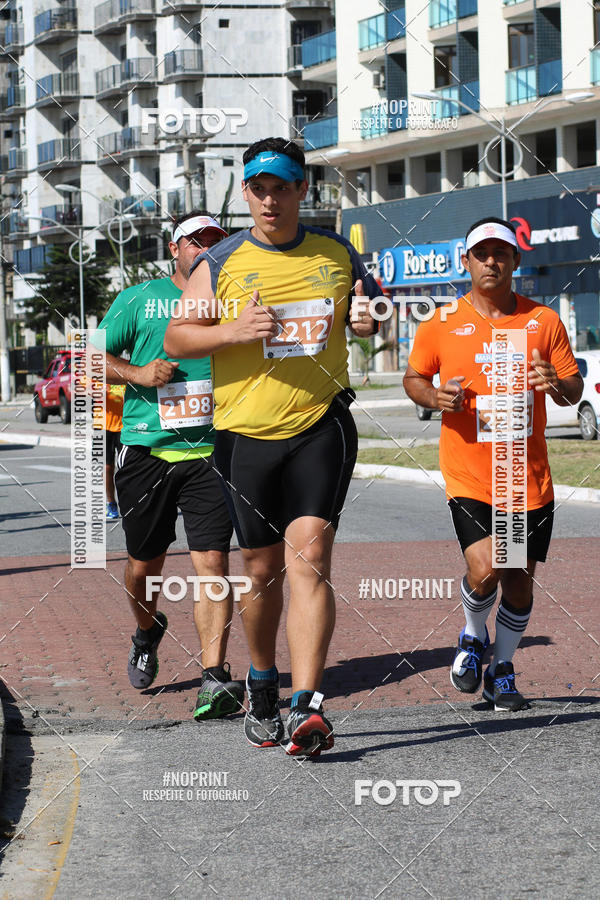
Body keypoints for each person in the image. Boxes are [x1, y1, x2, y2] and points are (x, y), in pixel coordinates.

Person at [164, 137, 379, 755]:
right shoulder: (223, 261)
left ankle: (308, 706)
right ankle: (262, 680)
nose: (269, 199)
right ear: (245, 194)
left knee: (309, 556)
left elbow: (366, 308)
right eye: (257, 189)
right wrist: (231, 330)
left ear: (302, 190)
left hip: (321, 423)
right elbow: (179, 337)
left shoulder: (335, 252)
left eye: (281, 187)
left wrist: (368, 320)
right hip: (243, 436)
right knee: (261, 571)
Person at [403, 217, 583, 711]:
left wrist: (557, 384)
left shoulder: (542, 321)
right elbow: (414, 378)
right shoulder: (440, 323)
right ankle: (470, 633)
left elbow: (573, 390)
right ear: (466, 261)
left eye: (500, 253)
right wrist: (436, 397)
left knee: (519, 576)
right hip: (470, 472)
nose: (491, 261)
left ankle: (501, 669)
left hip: (525, 475)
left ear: (515, 261)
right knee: (486, 567)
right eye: (481, 253)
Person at [95, 210, 244, 720]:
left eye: (215, 242)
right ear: (174, 250)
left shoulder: (234, 299)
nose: (205, 250)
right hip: (146, 450)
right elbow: (89, 355)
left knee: (213, 565)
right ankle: (146, 629)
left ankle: (215, 676)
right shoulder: (139, 299)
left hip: (211, 451)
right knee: (143, 569)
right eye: (195, 242)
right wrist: (137, 372)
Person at [98, 382, 124, 519]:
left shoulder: (124, 369)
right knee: (107, 467)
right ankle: (111, 503)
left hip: (124, 426)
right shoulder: (96, 372)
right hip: (103, 426)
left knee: (126, 467)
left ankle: (128, 503)